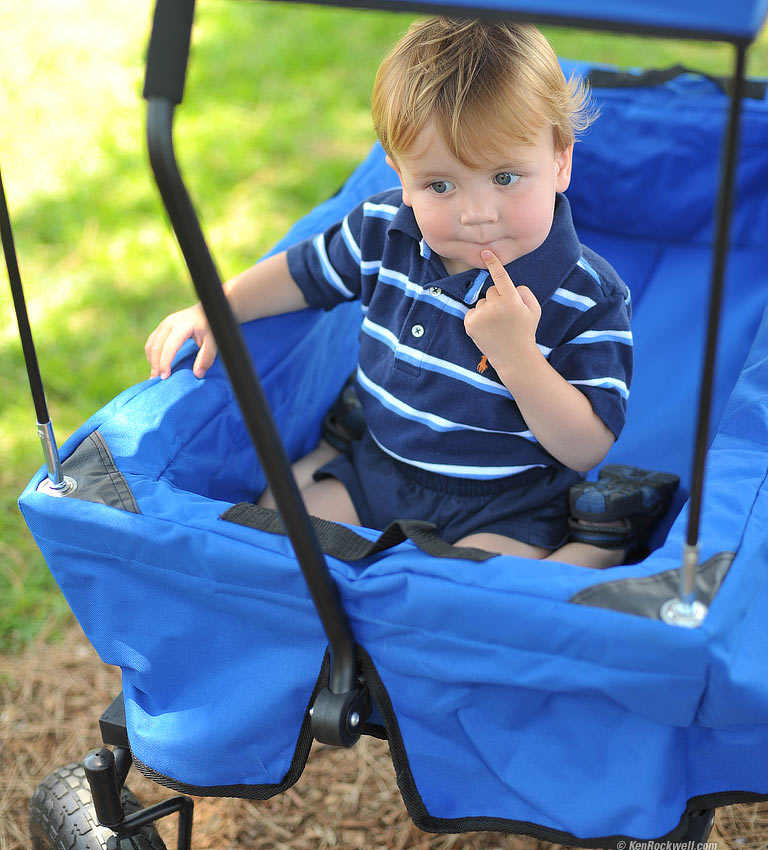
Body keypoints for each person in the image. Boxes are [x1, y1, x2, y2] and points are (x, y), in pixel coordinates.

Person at [146, 17, 644, 567]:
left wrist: (516, 357)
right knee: (275, 539)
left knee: (485, 602)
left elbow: (586, 446)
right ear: (401, 176)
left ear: (560, 161)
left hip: (507, 500)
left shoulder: (588, 295)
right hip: (382, 465)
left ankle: (598, 541)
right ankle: (340, 452)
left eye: (505, 178)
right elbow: (303, 273)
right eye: (439, 185)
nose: (477, 213)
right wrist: (217, 306)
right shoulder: (385, 228)